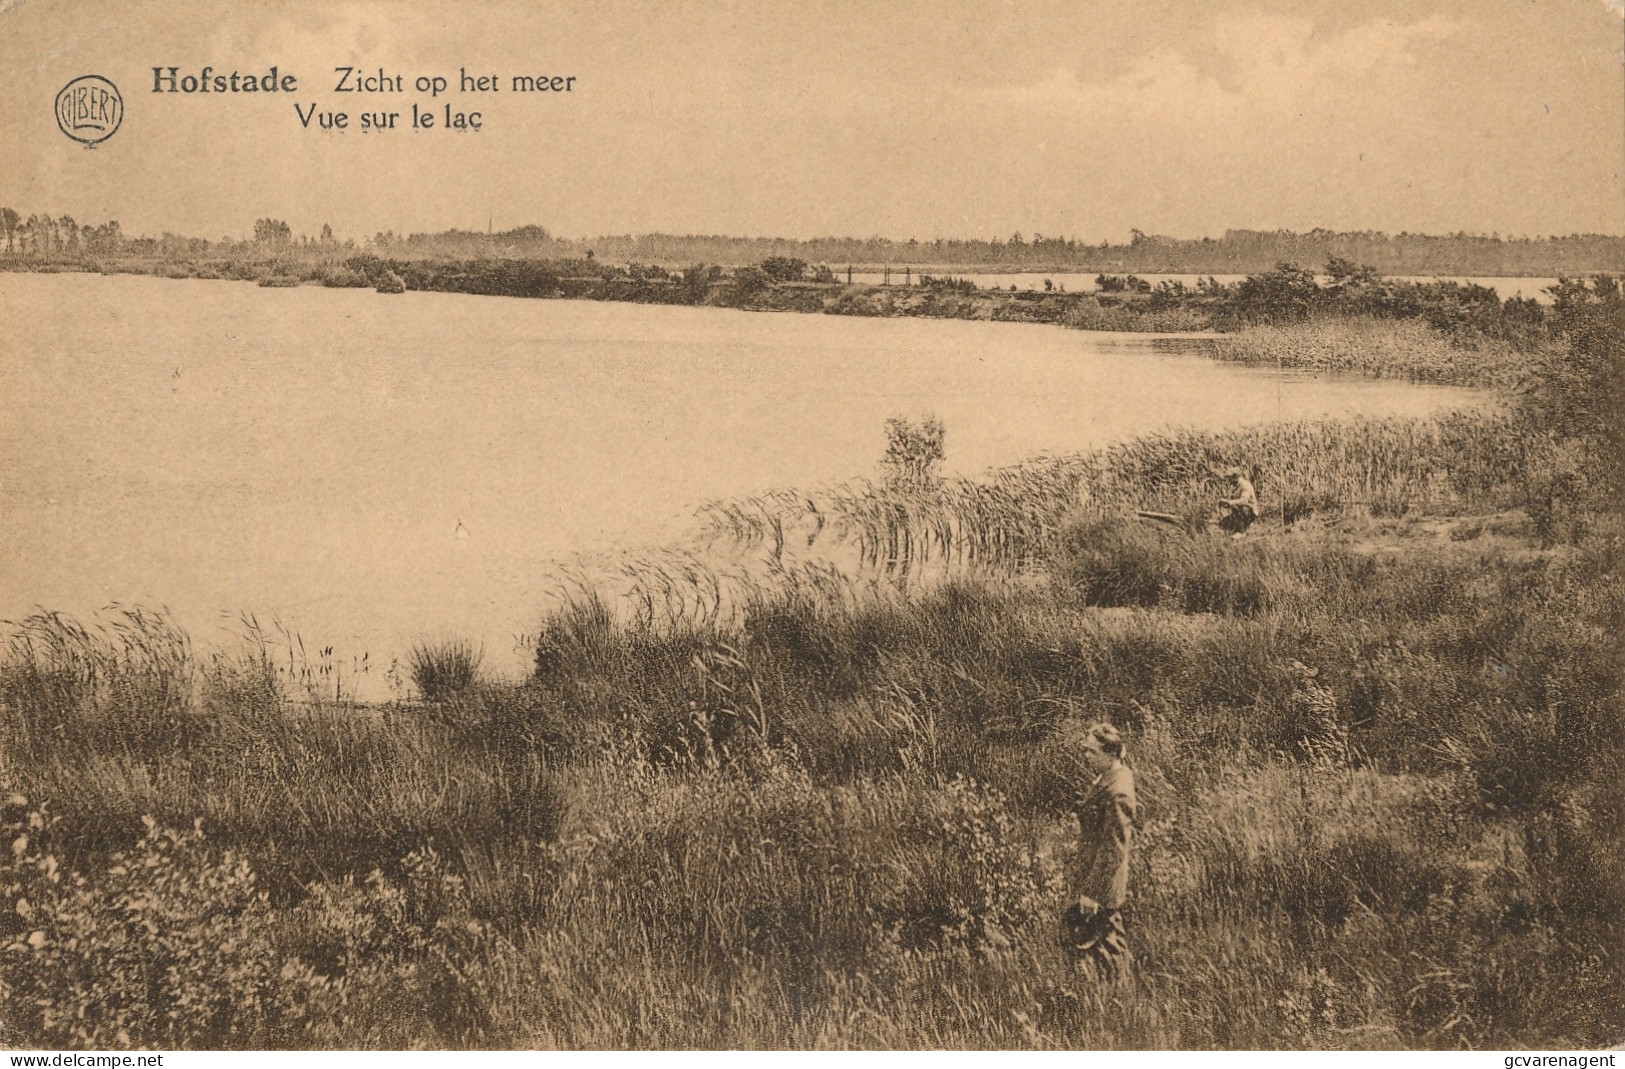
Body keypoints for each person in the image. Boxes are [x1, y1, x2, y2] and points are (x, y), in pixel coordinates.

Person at [1061, 722, 1139, 982]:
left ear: (1110, 753)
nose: (1086, 757)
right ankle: (1101, 992)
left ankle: (1122, 999)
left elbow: (1114, 849)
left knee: (1110, 942)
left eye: (1092, 752)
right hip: (1093, 874)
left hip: (1103, 884)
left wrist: (1093, 893)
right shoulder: (1107, 777)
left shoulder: (1118, 792)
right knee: (1097, 943)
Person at [1216, 466, 1258, 534]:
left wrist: (1229, 502)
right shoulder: (1236, 486)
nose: (1229, 480)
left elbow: (1244, 501)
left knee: (1243, 508)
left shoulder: (1245, 485)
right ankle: (1241, 526)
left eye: (1230, 478)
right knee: (1222, 524)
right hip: (1240, 509)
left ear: (1235, 477)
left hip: (1250, 511)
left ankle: (1242, 530)